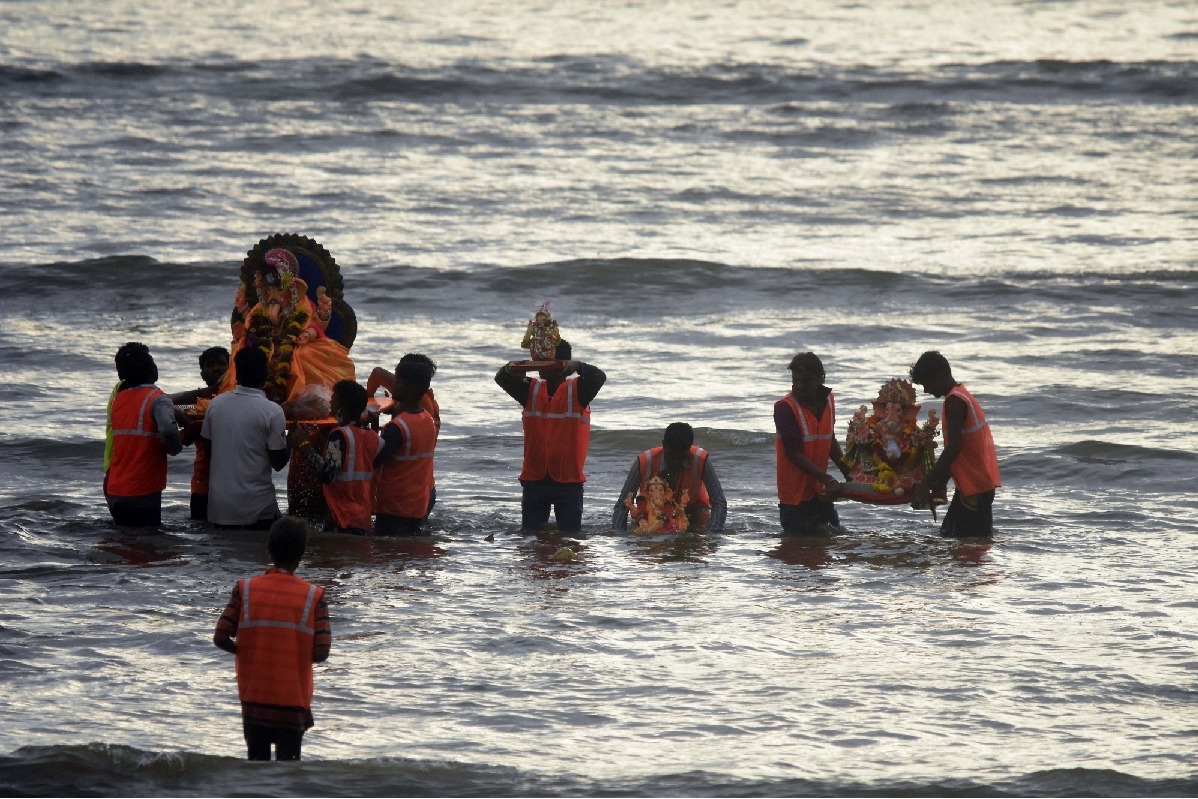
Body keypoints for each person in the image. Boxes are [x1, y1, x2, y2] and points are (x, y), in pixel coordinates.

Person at [213, 517, 332, 761]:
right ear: (302, 554)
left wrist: (250, 650)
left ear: (269, 548)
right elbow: (321, 653)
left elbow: (221, 637)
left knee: (256, 766)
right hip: (293, 700)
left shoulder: (244, 589)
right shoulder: (314, 596)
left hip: (254, 697)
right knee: (289, 768)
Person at [220, 248, 355, 408]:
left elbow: (317, 327)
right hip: (265, 343)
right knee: (244, 350)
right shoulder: (262, 306)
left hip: (296, 344)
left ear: (292, 287)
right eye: (269, 289)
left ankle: (294, 398)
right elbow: (253, 326)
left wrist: (310, 331)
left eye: (278, 289)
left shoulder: (302, 304)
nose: (272, 294)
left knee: (302, 355)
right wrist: (242, 327)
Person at [494, 340, 606, 533]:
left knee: (571, 538)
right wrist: (512, 368)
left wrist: (578, 366)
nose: (540, 365)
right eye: (538, 360)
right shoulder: (530, 390)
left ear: (562, 365)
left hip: (568, 482)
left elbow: (599, 377)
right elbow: (501, 378)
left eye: (545, 361)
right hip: (534, 479)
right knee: (530, 537)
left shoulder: (579, 390)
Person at [908, 351, 1001, 537]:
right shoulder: (962, 395)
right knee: (951, 536)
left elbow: (954, 448)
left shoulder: (955, 401)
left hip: (975, 487)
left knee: (970, 542)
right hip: (974, 485)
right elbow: (962, 451)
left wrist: (926, 483)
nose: (926, 390)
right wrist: (939, 483)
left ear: (939, 375)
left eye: (926, 383)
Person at [201, 346, 288, 529]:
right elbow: (278, 463)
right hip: (256, 508)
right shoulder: (273, 411)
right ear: (266, 373)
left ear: (235, 372)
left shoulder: (215, 404)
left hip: (219, 507)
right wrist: (294, 440)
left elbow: (209, 449)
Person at [104, 342, 183, 526]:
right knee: (147, 539)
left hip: (115, 488)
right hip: (143, 489)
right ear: (150, 368)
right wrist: (176, 447)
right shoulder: (157, 399)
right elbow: (169, 430)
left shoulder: (118, 399)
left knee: (124, 537)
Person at [290, 380, 379, 535]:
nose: (330, 403)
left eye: (334, 399)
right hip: (362, 515)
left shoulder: (339, 435)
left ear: (342, 407)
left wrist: (304, 444)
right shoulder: (371, 435)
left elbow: (328, 475)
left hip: (342, 516)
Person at [774, 352, 849, 535]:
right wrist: (828, 479)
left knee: (834, 538)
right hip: (795, 499)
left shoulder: (829, 400)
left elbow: (829, 439)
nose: (799, 386)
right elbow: (794, 453)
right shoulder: (784, 407)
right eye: (795, 380)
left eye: (805, 381)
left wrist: (849, 472)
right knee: (799, 548)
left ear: (820, 378)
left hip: (820, 493)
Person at [612, 422, 728, 533]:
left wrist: (713, 533)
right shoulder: (644, 462)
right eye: (672, 455)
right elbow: (623, 504)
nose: (676, 461)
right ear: (664, 445)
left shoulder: (701, 460)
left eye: (681, 456)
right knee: (641, 527)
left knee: (701, 518)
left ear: (689, 448)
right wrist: (619, 535)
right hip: (653, 511)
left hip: (692, 510)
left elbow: (719, 502)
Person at [366, 353, 441, 517]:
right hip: (421, 492)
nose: (394, 383)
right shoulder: (425, 415)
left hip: (399, 500)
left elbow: (374, 459)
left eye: (398, 378)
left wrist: (365, 406)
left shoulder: (398, 427)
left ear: (410, 385)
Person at [170, 346, 230, 521]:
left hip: (232, 483)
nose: (216, 368)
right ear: (202, 375)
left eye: (221, 363)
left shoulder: (241, 399)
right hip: (203, 483)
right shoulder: (198, 405)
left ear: (231, 369)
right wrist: (189, 426)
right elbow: (161, 401)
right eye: (210, 365)